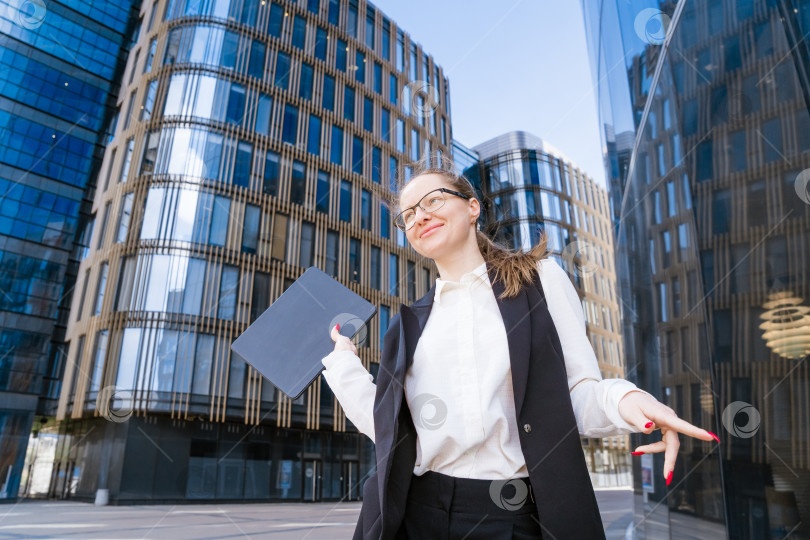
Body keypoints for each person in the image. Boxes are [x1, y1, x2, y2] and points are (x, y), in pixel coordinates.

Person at [321, 163, 719, 539]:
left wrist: (628, 400)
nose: (419, 216)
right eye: (408, 214)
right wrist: (342, 365)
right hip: (418, 511)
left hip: (510, 513)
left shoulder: (538, 280)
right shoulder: (408, 324)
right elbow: (390, 432)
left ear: (472, 207)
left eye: (433, 201)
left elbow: (577, 392)